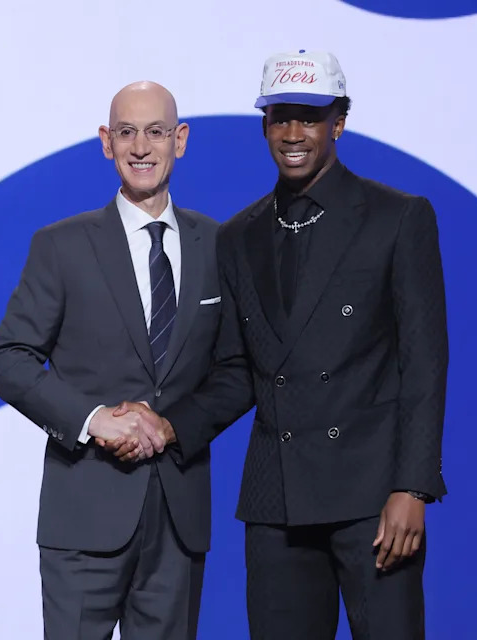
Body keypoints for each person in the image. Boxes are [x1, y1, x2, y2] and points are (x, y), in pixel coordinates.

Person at [107, 51, 449, 639]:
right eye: (280, 117)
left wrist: (412, 487)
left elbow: (425, 362)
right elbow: (240, 369)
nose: (293, 133)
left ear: (338, 123)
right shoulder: (240, 235)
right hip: (275, 500)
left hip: (372, 497)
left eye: (310, 117)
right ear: (264, 125)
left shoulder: (397, 218)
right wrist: (169, 427)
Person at [0, 81, 223, 640]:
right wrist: (94, 420)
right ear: (106, 142)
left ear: (180, 140)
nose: (141, 146)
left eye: (157, 131)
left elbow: (235, 371)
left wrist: (172, 427)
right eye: (126, 132)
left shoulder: (219, 244)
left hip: (177, 518)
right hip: (84, 513)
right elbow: (8, 360)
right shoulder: (62, 245)